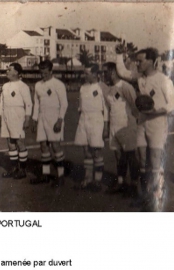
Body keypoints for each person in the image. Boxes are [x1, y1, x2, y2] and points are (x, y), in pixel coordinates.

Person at [116, 47, 172, 210]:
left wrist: (155, 110)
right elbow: (122, 72)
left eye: (140, 61)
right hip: (142, 123)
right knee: (142, 160)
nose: (137, 63)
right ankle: (145, 195)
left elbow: (172, 104)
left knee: (155, 161)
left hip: (157, 123)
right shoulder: (140, 78)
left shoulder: (163, 80)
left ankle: (156, 198)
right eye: (136, 60)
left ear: (151, 61)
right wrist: (119, 54)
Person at [102, 62, 140, 197]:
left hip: (127, 127)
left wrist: (134, 125)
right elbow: (107, 109)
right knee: (118, 156)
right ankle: (121, 182)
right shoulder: (107, 89)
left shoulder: (126, 87)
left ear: (113, 72)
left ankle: (134, 185)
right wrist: (106, 127)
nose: (103, 74)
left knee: (131, 156)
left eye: (105, 71)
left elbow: (135, 106)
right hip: (114, 127)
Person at [32, 60, 68, 187]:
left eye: (46, 73)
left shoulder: (58, 84)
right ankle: (45, 175)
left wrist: (60, 120)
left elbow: (64, 104)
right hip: (42, 117)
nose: (43, 76)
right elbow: (36, 103)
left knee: (55, 146)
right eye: (41, 73)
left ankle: (61, 176)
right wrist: (35, 119)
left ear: (51, 71)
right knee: (43, 145)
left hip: (54, 117)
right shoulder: (38, 85)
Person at [74, 63, 109, 191]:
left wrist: (106, 127)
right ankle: (88, 178)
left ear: (95, 74)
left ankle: (98, 180)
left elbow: (106, 108)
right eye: (84, 73)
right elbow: (80, 106)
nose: (85, 75)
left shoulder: (102, 87)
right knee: (86, 151)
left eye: (87, 73)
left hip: (97, 120)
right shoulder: (82, 87)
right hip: (84, 119)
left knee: (96, 151)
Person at [0, 63, 32, 179]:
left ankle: (22, 170)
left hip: (18, 114)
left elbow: (28, 104)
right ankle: (13, 168)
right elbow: (2, 101)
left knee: (19, 142)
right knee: (10, 143)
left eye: (9, 69)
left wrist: (27, 119)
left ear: (16, 72)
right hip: (6, 114)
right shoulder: (5, 86)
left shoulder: (23, 86)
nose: (7, 71)